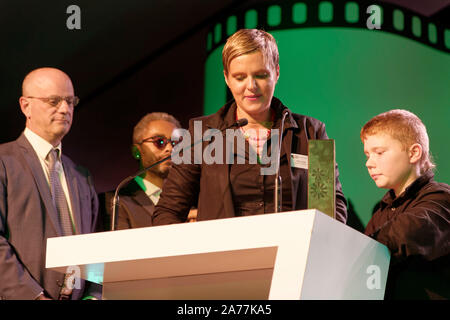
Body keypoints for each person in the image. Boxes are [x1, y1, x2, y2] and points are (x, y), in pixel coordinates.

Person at [153, 29, 347, 225]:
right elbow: (168, 211)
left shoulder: (313, 132)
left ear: (276, 73)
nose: (251, 86)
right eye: (240, 77)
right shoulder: (200, 134)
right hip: (224, 254)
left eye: (261, 75)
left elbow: (331, 209)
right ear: (227, 78)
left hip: (295, 253)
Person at [0, 67, 101, 300]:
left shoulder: (81, 176)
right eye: (54, 100)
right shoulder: (4, 163)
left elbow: (96, 246)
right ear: (26, 106)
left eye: (70, 101)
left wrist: (94, 295)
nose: (65, 109)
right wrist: (33, 296)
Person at [361, 109, 450, 299]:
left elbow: (408, 231)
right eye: (367, 154)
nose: (369, 163)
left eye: (379, 152)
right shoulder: (380, 214)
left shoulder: (441, 198)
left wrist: (360, 250)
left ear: (413, 153)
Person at [99, 112, 197, 231]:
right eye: (159, 142)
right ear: (136, 151)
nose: (170, 149)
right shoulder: (115, 201)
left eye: (175, 143)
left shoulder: (193, 200)